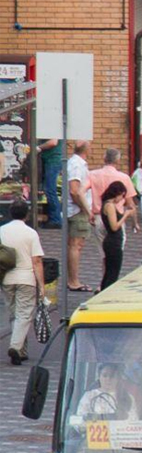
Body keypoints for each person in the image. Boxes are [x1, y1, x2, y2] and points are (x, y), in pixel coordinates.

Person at [0, 201, 44, 365]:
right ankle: (16, 346)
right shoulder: (31, 233)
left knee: (14, 314)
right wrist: (41, 285)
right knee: (24, 314)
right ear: (27, 214)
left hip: (6, 278)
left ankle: (22, 350)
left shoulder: (2, 231)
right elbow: (37, 261)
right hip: (26, 278)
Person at [66, 141, 94, 293]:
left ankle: (71, 279)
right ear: (87, 148)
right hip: (77, 210)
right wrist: (86, 209)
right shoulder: (77, 165)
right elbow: (75, 190)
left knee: (73, 245)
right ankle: (74, 281)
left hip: (73, 209)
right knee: (76, 245)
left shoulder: (73, 162)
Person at [88, 149, 138, 233]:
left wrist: (88, 212)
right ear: (118, 160)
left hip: (99, 216)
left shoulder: (92, 174)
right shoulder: (124, 178)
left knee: (101, 246)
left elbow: (82, 192)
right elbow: (130, 204)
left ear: (104, 158)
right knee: (117, 244)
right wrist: (135, 222)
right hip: (117, 217)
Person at [98, 182, 131, 291]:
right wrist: (125, 215)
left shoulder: (105, 204)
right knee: (113, 272)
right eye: (122, 196)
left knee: (109, 271)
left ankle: (103, 291)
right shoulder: (110, 206)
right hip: (113, 242)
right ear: (118, 193)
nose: (122, 199)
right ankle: (106, 292)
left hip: (111, 242)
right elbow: (114, 226)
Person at [36, 139, 63, 229]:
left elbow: (53, 142)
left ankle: (56, 220)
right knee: (48, 190)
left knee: (50, 190)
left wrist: (38, 148)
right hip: (49, 159)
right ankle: (52, 218)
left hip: (53, 160)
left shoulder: (53, 127)